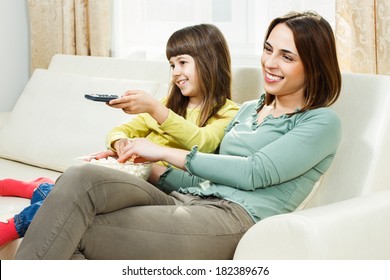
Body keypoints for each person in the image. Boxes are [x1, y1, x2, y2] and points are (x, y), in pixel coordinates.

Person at [16, 11, 342, 260]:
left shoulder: (321, 123)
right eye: (268, 49)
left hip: (232, 220)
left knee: (68, 227)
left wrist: (163, 152)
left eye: (287, 56)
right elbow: (207, 181)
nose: (269, 63)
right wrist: (143, 162)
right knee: (81, 177)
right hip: (191, 199)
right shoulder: (249, 110)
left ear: (313, 66)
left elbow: (253, 172)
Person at [0, 24, 239, 247]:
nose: (175, 72)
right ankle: (30, 204)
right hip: (134, 177)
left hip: (164, 189)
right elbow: (120, 130)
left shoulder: (229, 113)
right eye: (172, 65)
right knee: (76, 197)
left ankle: (37, 194)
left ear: (209, 62)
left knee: (79, 202)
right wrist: (121, 143)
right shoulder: (171, 104)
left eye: (182, 63)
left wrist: (156, 109)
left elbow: (202, 143)